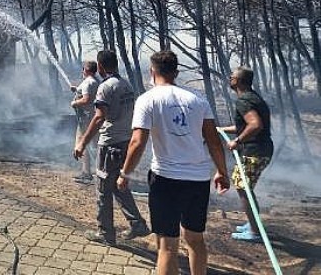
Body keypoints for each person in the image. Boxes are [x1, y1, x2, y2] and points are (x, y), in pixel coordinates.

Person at [118, 50, 229, 275]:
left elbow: (137, 142)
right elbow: (214, 142)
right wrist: (221, 171)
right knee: (195, 240)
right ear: (176, 72)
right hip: (198, 180)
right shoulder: (199, 99)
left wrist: (125, 174)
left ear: (152, 71)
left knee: (167, 245)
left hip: (165, 180)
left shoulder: (147, 99)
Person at [74, 50, 150, 245]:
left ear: (100, 66)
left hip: (109, 144)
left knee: (102, 189)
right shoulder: (126, 84)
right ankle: (137, 224)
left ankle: (105, 232)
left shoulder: (105, 87)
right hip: (125, 141)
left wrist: (82, 142)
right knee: (118, 185)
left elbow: (99, 117)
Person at [218, 66, 274, 243]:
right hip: (261, 149)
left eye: (232, 76)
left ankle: (255, 232)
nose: (229, 79)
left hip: (253, 151)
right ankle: (253, 224)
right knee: (246, 189)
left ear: (238, 81)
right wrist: (221, 129)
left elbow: (255, 125)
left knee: (244, 190)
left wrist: (237, 141)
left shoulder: (244, 101)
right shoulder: (253, 98)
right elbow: (246, 126)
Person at [71, 60, 99, 184]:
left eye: (83, 69)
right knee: (94, 144)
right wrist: (77, 90)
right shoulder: (96, 81)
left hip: (86, 119)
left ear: (86, 70)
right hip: (92, 117)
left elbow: (87, 99)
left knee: (82, 144)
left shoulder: (88, 82)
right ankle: (100, 171)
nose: (82, 71)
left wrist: (75, 103)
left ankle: (86, 173)